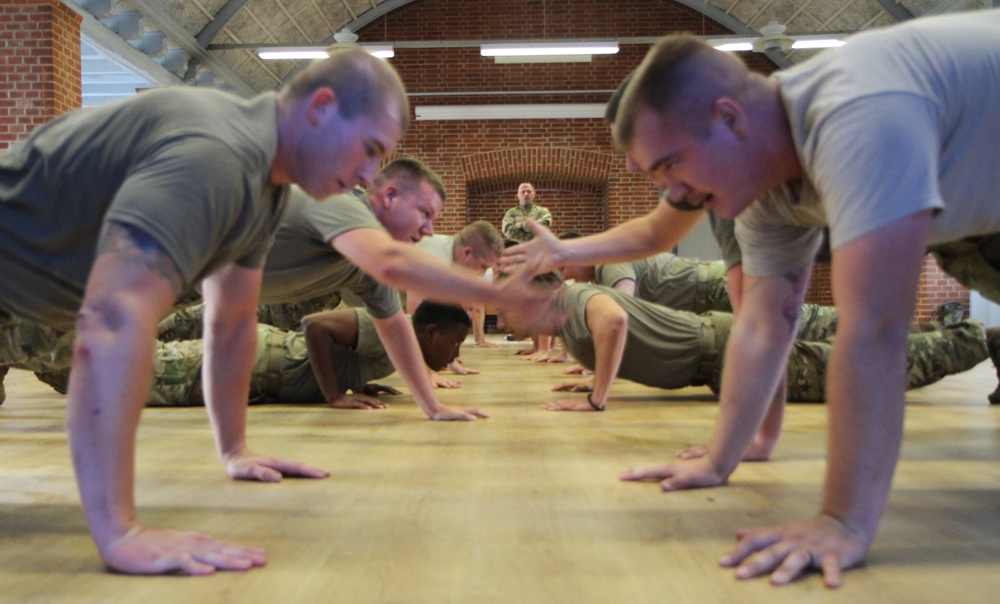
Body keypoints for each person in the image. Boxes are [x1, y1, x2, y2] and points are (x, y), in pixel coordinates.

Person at [608, 11, 1000, 587]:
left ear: (728, 117)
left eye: (671, 166)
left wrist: (841, 520)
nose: (676, 195)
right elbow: (763, 326)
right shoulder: (766, 194)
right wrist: (721, 457)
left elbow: (876, 331)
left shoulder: (855, 113)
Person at [0, 46, 413, 575]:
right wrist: (120, 532)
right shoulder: (216, 153)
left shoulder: (266, 193)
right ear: (321, 107)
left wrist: (235, 448)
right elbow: (112, 320)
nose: (367, 175)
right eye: (369, 149)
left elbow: (232, 323)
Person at [156, 159, 558, 420]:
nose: (431, 229)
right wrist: (502, 296)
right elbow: (397, 267)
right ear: (388, 197)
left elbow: (398, 327)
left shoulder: (369, 269)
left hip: (198, 285)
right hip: (154, 253)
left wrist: (433, 407)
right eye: (424, 214)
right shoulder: (343, 207)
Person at [512, 280, 987, 414]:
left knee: (862, 371)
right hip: (721, 352)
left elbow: (615, 320)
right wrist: (592, 382)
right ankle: (957, 336)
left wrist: (598, 398)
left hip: (730, 353)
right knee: (854, 343)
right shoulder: (566, 321)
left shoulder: (571, 296)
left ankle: (979, 339)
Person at [37, 302, 472, 410]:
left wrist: (353, 381)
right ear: (430, 331)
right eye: (453, 344)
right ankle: (22, 341)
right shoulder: (390, 325)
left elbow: (337, 348)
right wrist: (333, 395)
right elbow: (316, 325)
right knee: (100, 374)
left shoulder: (398, 345)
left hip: (252, 368)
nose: (453, 354)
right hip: (249, 360)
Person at [410, 221, 504, 357]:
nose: (482, 274)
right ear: (467, 253)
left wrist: (449, 360)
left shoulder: (450, 258)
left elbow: (445, 317)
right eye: (483, 266)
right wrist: (428, 371)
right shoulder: (436, 260)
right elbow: (415, 317)